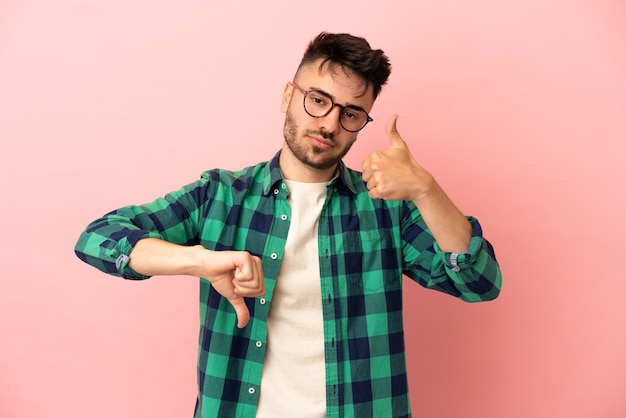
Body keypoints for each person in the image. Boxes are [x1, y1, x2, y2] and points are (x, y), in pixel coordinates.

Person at [75, 32, 502, 418]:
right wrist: (199, 261)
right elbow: (99, 237)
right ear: (287, 96)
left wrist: (427, 191)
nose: (330, 123)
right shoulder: (221, 196)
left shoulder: (386, 209)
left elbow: (480, 283)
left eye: (352, 113)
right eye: (318, 100)